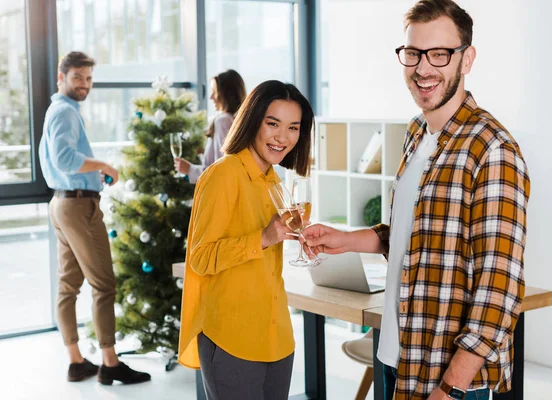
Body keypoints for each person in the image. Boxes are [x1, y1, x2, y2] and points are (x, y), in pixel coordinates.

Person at [302, 1, 530, 399]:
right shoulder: (415, 133)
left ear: (467, 58)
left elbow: (499, 287)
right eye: (413, 54)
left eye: (440, 54)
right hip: (395, 357)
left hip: (445, 376)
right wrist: (348, 239)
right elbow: (418, 236)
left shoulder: (492, 149)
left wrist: (452, 387)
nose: (423, 68)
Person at [177, 80, 313, 400]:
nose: (283, 137)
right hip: (231, 338)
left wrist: (293, 236)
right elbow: (201, 257)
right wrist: (263, 237)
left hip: (276, 335)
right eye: (273, 124)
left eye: (293, 127)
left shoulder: (273, 179)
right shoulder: (222, 175)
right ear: (252, 120)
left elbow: (267, 249)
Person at [39, 51, 151, 385]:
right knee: (104, 285)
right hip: (78, 208)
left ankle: (76, 362)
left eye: (88, 78)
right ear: (61, 77)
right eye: (77, 78)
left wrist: (92, 176)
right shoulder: (65, 111)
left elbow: (64, 163)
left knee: (68, 285)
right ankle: (110, 363)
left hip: (62, 203)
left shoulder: (59, 110)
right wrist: (102, 166)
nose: (84, 85)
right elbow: (66, 159)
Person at [174, 69, 246, 183]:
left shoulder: (223, 121)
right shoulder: (239, 120)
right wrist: (204, 153)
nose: (211, 97)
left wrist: (189, 169)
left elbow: (221, 170)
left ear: (226, 95)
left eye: (214, 92)